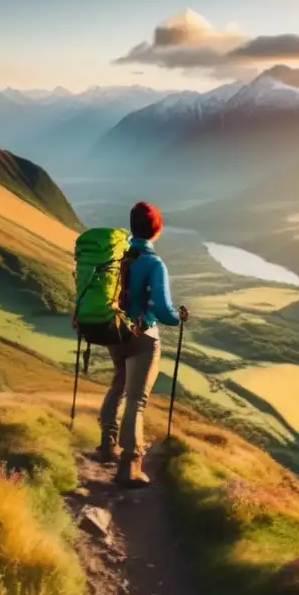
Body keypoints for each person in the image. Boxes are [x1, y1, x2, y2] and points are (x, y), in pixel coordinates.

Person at [97, 201, 188, 487]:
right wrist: (179, 318)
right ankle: (130, 465)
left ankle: (107, 444)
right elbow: (162, 310)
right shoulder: (153, 263)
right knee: (136, 398)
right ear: (156, 230)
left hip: (115, 332)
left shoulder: (116, 255)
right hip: (143, 336)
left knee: (118, 383)